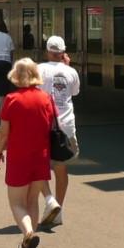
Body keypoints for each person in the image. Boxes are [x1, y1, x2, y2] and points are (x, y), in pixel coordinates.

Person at [0, 57, 55, 248]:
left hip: (19, 156)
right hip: (41, 156)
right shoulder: (46, 98)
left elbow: (4, 132)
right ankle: (28, 243)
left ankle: (28, 234)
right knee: (32, 202)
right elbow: (50, 125)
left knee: (17, 203)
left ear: (17, 76)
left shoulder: (12, 99)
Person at [36, 35, 80, 229]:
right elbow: (74, 92)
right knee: (61, 168)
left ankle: (49, 201)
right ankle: (58, 210)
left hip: (43, 125)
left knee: (39, 167)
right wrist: (67, 66)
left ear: (47, 51)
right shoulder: (71, 72)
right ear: (63, 53)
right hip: (66, 126)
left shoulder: (39, 69)